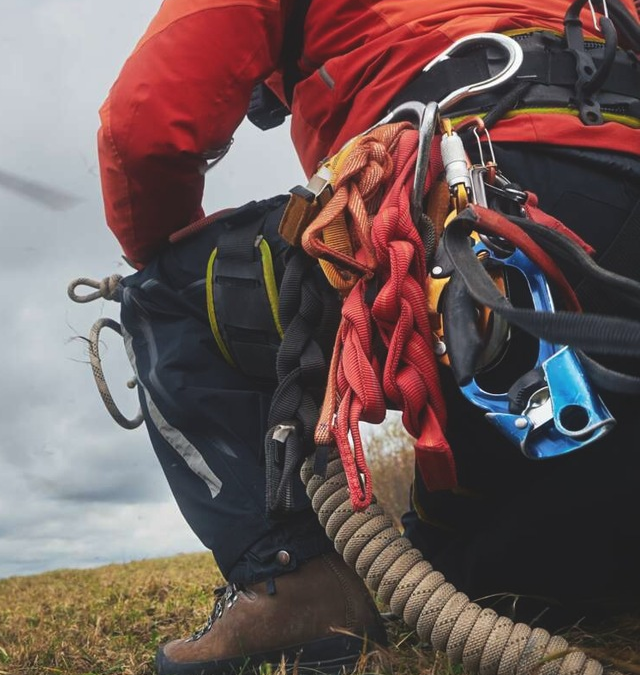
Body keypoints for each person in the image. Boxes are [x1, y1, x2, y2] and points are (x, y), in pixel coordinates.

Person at [96, 1, 640, 673]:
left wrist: (161, 258)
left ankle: (292, 592)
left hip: (466, 199)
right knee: (491, 574)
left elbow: (142, 130)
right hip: (618, 206)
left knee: (163, 292)